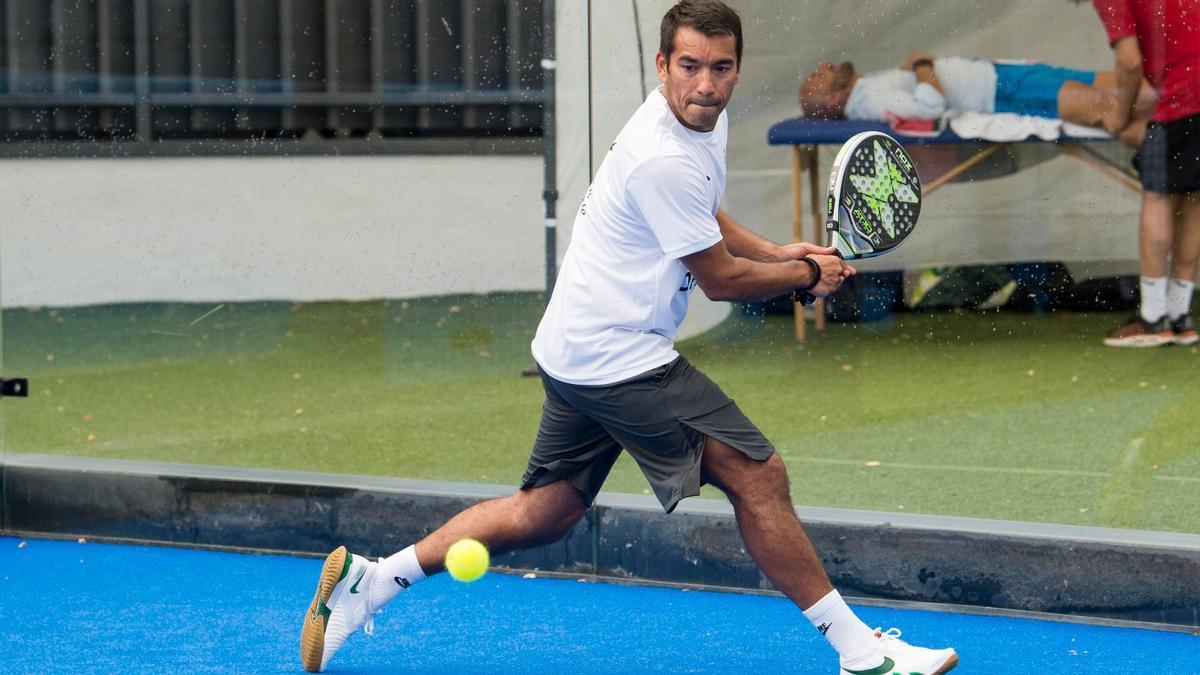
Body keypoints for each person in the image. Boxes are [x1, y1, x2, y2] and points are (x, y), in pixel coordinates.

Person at [300, 2, 958, 674]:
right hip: (619, 355)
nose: (706, 84)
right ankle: (860, 652)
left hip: (573, 346)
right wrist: (803, 273)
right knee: (759, 475)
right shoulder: (659, 156)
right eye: (691, 67)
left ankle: (373, 581)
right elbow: (723, 280)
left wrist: (778, 249)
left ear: (736, 67)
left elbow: (703, 215)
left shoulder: (695, 122)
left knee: (545, 513)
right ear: (662, 65)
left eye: (722, 67)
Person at [1095, 0, 1200, 348]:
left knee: (1157, 200)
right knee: (1195, 199)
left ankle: (1153, 319)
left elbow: (1129, 61)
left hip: (1181, 99)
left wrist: (1118, 116)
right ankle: (1180, 317)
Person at [799, 54, 1154, 148]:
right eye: (817, 77)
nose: (823, 66)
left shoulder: (868, 86)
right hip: (1004, 92)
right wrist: (924, 63)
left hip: (1006, 76)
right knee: (1114, 105)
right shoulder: (870, 100)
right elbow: (928, 106)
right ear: (832, 100)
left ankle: (1183, 132)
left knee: (1143, 86)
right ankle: (1180, 150)